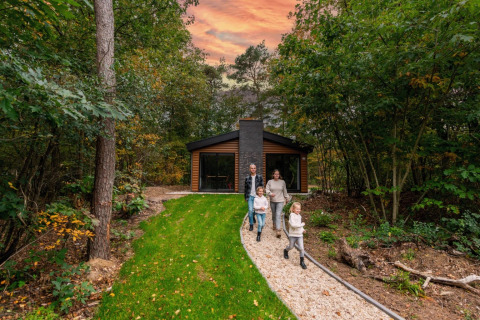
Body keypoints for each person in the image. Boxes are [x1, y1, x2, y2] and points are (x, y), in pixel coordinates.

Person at [265, 169, 290, 238]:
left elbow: (285, 191)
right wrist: (270, 193)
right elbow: (267, 190)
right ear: (273, 175)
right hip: (273, 200)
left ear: (279, 175)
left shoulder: (282, 182)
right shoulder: (270, 182)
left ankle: (278, 230)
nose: (277, 175)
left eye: (278, 174)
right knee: (274, 214)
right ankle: (274, 223)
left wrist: (287, 197)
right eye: (275, 174)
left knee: (278, 214)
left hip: (280, 200)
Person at [283, 202, 307, 269]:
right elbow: (293, 225)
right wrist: (302, 224)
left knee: (302, 248)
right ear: (293, 209)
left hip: (299, 235)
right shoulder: (292, 216)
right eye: (297, 209)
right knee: (291, 246)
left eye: (299, 209)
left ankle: (302, 261)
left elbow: (299, 225)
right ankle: (286, 250)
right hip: (293, 235)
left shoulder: (299, 216)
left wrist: (302, 229)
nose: (298, 211)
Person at [244, 163, 263, 231]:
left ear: (256, 169)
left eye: (254, 168)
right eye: (252, 168)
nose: (253, 169)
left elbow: (262, 187)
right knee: (250, 210)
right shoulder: (247, 178)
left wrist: (261, 196)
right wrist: (246, 197)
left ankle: (253, 216)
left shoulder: (259, 177)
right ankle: (251, 224)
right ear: (250, 169)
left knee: (256, 210)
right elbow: (245, 189)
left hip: (257, 197)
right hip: (250, 197)